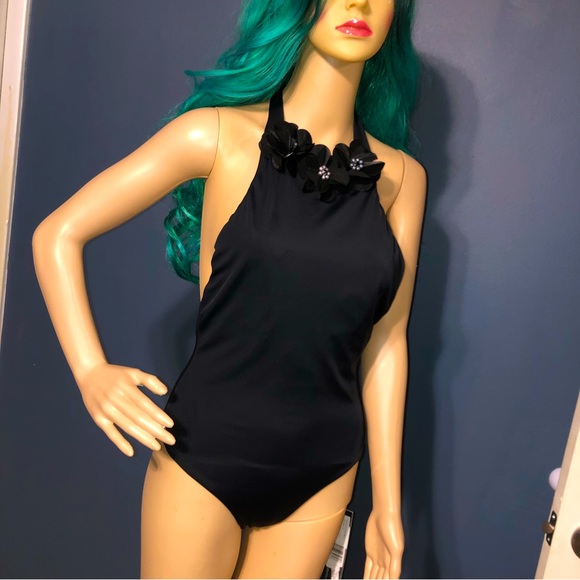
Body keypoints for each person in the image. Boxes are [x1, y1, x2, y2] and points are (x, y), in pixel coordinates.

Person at [32, 0, 427, 578]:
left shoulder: (402, 179)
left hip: (323, 475)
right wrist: (91, 370)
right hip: (206, 456)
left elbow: (387, 340)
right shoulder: (216, 133)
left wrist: (387, 504)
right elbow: (57, 234)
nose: (358, 3)